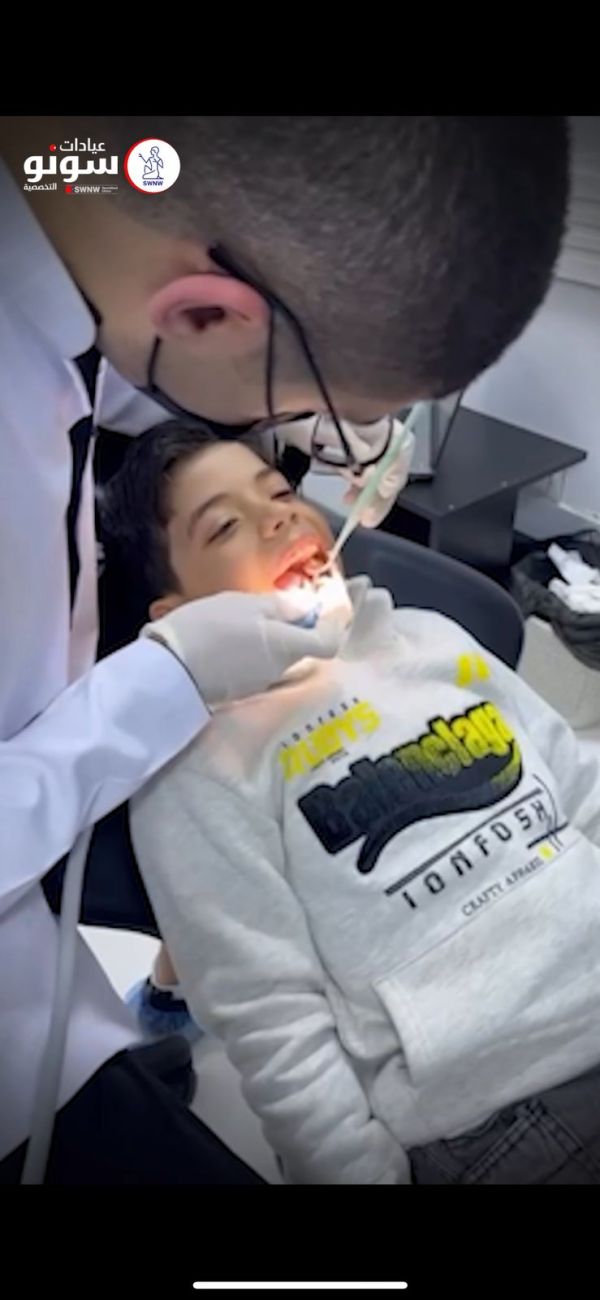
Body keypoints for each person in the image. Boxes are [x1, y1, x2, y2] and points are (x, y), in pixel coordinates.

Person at [0, 115, 568, 1183]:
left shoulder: (81, 182)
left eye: (286, 476)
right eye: (308, 408)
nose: (293, 500)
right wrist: (168, 683)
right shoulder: (202, 775)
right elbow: (277, 1023)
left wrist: (293, 416)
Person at [102, 423, 600, 1186]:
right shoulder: (198, 771)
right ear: (174, 616)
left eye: (280, 492)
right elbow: (275, 1025)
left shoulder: (429, 640)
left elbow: (579, 793)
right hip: (507, 1111)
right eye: (226, 525)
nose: (280, 517)